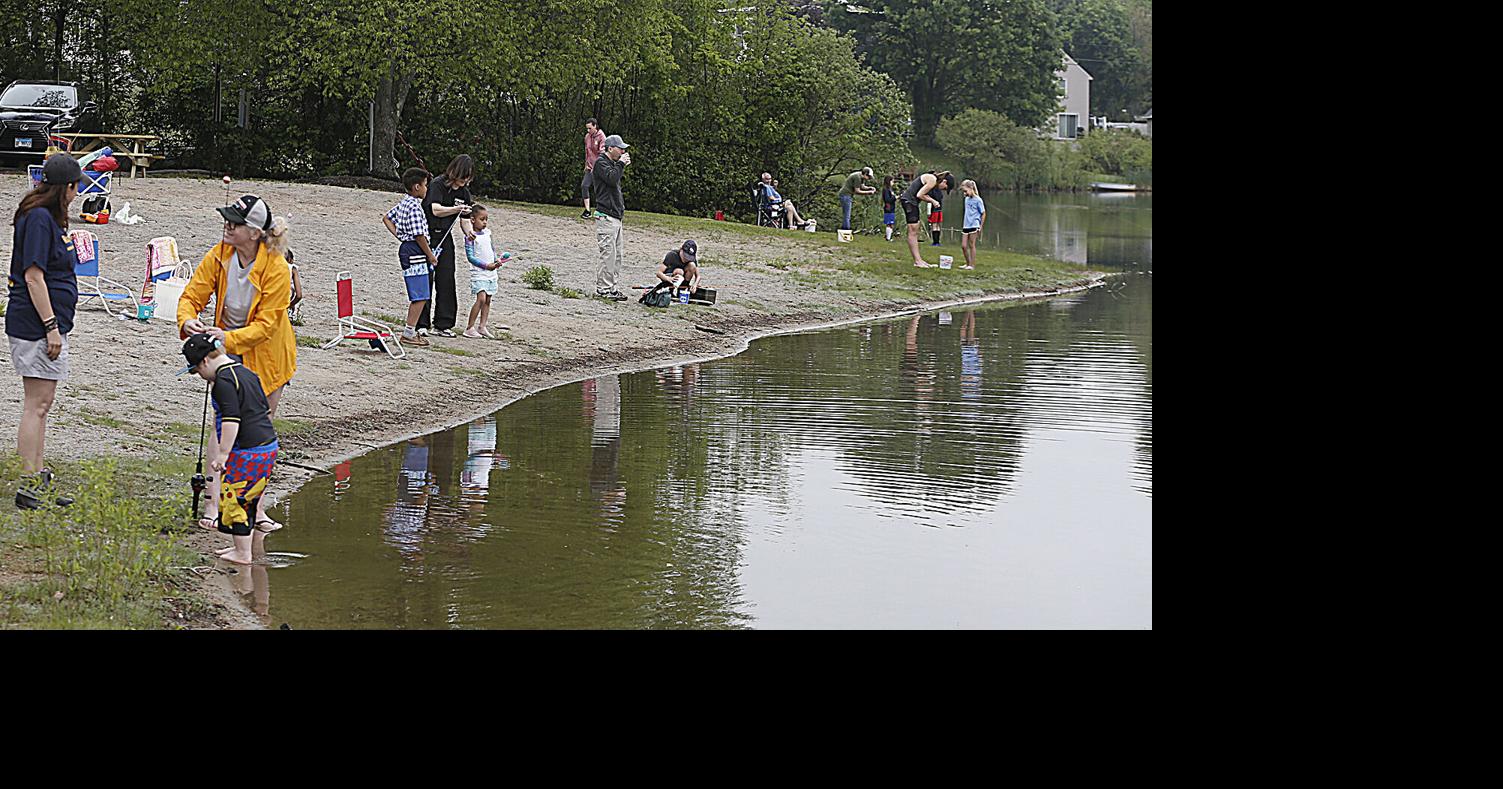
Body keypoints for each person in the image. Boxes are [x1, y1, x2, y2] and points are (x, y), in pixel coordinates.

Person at [178, 193, 297, 532]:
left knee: (258, 431)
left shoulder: (277, 268)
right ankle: (213, 504)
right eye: (227, 220)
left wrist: (225, 338)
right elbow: (191, 296)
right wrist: (188, 320)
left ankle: (254, 508)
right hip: (226, 349)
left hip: (269, 356)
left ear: (255, 233)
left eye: (235, 222)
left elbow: (266, 326)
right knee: (223, 423)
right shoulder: (220, 253)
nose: (227, 226)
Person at [7, 153, 82, 509]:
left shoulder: (48, 217)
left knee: (43, 403)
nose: (76, 195)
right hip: (35, 324)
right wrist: (51, 326)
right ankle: (28, 484)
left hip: (46, 323)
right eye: (75, 188)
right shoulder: (38, 219)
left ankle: (39, 477)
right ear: (65, 188)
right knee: (35, 404)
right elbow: (33, 276)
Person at [178, 333, 279, 566]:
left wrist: (223, 454)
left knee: (237, 500)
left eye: (197, 370)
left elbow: (231, 419)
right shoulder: (246, 373)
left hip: (247, 451)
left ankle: (243, 554)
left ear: (205, 361)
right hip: (267, 445)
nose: (200, 376)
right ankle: (240, 546)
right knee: (249, 498)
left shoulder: (223, 382)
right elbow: (263, 409)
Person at [383, 167, 441, 347]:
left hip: (408, 248)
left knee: (421, 292)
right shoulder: (415, 207)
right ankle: (408, 333)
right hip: (415, 251)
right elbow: (419, 235)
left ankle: (410, 331)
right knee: (420, 294)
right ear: (417, 186)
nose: (426, 189)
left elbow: (387, 218)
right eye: (425, 185)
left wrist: (400, 236)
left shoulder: (404, 203)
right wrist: (430, 255)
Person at [419, 154, 475, 337]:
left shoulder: (464, 193)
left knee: (447, 279)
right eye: (462, 176)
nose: (464, 181)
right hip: (428, 236)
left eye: (467, 178)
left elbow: (465, 219)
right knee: (425, 278)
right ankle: (421, 323)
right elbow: (435, 210)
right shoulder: (437, 184)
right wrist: (456, 209)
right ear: (455, 172)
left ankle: (443, 324)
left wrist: (469, 232)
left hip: (445, 237)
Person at [591, 134, 632, 300]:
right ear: (610, 148)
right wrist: (621, 164)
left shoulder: (612, 164)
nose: (623, 151)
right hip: (606, 216)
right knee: (608, 255)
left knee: (617, 256)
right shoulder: (600, 163)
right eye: (620, 148)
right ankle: (603, 289)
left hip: (615, 216)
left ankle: (612, 288)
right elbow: (612, 179)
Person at [463, 204, 512, 338]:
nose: (484, 222)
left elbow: (491, 249)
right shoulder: (470, 237)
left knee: (488, 299)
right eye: (482, 219)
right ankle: (469, 327)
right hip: (479, 273)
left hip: (491, 272)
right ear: (473, 220)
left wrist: (497, 260)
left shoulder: (487, 233)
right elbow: (471, 257)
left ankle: (482, 326)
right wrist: (486, 266)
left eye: (486, 219)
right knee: (481, 298)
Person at [898, 171, 955, 267]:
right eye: (945, 188)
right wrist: (933, 201)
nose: (943, 190)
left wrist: (930, 199)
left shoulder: (932, 179)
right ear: (944, 181)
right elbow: (920, 195)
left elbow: (922, 194)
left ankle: (919, 260)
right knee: (913, 231)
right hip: (909, 201)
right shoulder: (932, 180)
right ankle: (918, 261)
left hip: (912, 202)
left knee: (915, 231)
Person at [581, 118, 606, 219]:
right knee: (584, 186)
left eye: (590, 128)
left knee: (598, 189)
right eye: (587, 129)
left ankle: (601, 210)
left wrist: (597, 167)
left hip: (598, 167)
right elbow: (587, 152)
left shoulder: (602, 137)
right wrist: (586, 164)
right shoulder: (587, 137)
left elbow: (602, 154)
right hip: (589, 166)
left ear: (595, 126)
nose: (588, 131)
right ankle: (587, 210)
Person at [838, 166, 876, 231]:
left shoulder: (860, 177)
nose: (869, 179)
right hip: (845, 195)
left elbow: (862, 186)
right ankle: (846, 230)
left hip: (848, 195)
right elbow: (857, 191)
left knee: (847, 215)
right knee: (847, 215)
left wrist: (869, 188)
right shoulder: (857, 177)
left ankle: (845, 230)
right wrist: (868, 192)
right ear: (865, 174)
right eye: (869, 177)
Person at [959, 179, 985, 270]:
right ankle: (967, 263)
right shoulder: (966, 199)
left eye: (966, 191)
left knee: (971, 245)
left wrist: (980, 226)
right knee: (963, 246)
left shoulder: (978, 200)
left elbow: (983, 213)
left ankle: (972, 265)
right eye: (963, 191)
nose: (965, 193)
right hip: (966, 225)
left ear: (971, 188)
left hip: (974, 224)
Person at [881, 176, 897, 241]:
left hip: (891, 208)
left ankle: (889, 236)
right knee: (889, 223)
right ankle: (888, 238)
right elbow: (887, 199)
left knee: (891, 223)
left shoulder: (890, 189)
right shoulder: (886, 190)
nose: (893, 183)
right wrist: (894, 198)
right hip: (889, 208)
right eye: (892, 181)